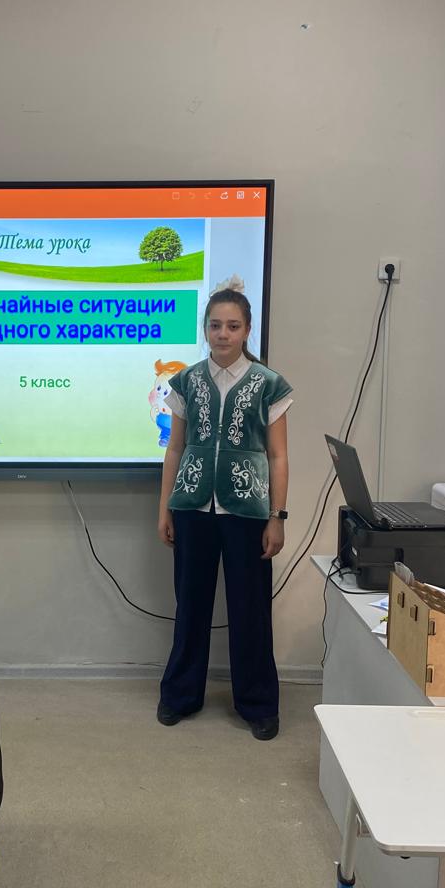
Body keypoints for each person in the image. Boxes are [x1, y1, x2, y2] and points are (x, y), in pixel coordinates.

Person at [156, 281, 293, 741]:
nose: (223, 334)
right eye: (215, 325)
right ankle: (180, 695)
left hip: (248, 511)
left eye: (233, 326)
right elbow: (175, 448)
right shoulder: (187, 381)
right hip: (192, 506)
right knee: (190, 605)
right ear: (205, 328)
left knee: (249, 609)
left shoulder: (269, 384)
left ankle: (258, 704)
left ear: (247, 329)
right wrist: (165, 508)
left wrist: (277, 516)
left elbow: (278, 456)